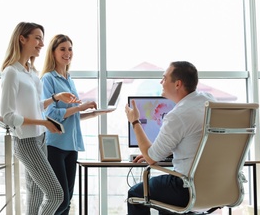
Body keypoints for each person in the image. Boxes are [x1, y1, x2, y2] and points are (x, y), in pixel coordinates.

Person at [0, 23, 81, 215]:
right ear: (22, 39)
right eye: (37, 38)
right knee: (56, 195)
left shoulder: (30, 72)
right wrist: (43, 122)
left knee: (35, 198)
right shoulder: (11, 72)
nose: (41, 44)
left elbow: (36, 107)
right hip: (26, 141)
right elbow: (8, 116)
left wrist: (55, 98)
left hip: (40, 139)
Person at [125, 61, 216, 215]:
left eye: (164, 78)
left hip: (187, 188)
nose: (161, 82)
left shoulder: (178, 115)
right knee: (165, 200)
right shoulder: (210, 101)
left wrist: (135, 121)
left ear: (177, 84)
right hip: (217, 185)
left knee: (135, 193)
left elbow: (151, 158)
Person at [40, 34, 112, 215]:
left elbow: (71, 116)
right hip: (55, 145)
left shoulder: (69, 80)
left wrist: (94, 112)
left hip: (72, 146)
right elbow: (51, 114)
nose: (67, 53)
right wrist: (80, 107)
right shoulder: (48, 79)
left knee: (67, 200)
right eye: (62, 49)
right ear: (53, 52)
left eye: (70, 49)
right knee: (60, 200)